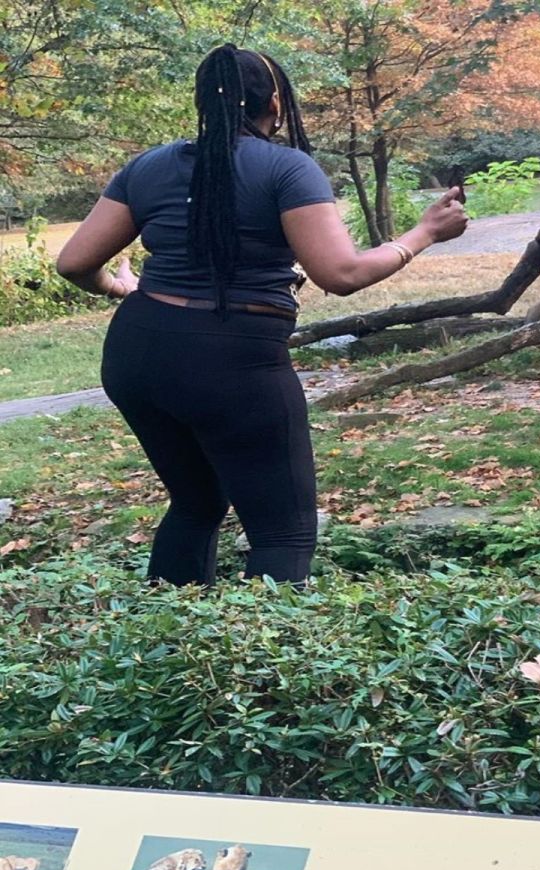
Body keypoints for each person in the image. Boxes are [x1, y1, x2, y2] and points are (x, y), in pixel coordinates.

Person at [55, 43, 468, 587]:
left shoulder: (148, 167)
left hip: (138, 353)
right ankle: (265, 665)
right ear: (275, 100)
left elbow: (74, 262)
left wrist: (121, 288)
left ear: (203, 101)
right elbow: (340, 275)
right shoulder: (286, 168)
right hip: (232, 362)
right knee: (284, 531)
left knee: (196, 502)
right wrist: (425, 234)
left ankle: (162, 647)